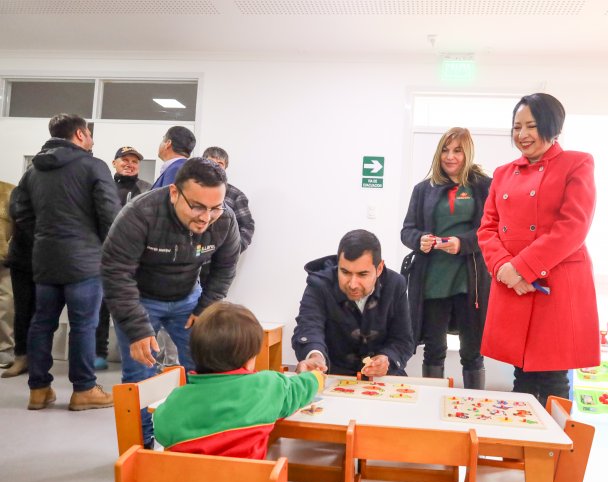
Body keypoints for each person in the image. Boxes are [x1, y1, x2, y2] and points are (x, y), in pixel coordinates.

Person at [102, 157, 241, 445]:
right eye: (198, 206)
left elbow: (226, 267)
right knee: (140, 380)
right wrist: (137, 328)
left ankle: (194, 444)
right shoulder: (140, 214)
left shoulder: (225, 219)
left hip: (189, 300)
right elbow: (116, 273)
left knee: (203, 371)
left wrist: (206, 307)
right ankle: (139, 450)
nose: (206, 217)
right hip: (140, 301)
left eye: (215, 207)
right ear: (174, 193)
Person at [477, 93, 599, 407]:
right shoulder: (504, 173)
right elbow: (487, 227)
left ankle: (555, 452)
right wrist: (504, 268)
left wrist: (521, 268)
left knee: (554, 377)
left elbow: (573, 226)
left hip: (554, 286)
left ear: (551, 126)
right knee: (523, 376)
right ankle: (521, 449)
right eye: (517, 127)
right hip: (513, 284)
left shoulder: (577, 162)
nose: (522, 134)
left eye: (531, 126)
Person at [15, 113, 121, 410]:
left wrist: (43, 236)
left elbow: (19, 210)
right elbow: (110, 215)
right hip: (84, 262)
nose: (91, 139)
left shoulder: (33, 171)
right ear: (78, 134)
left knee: (41, 324)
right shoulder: (93, 166)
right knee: (84, 326)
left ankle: (39, 390)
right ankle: (84, 390)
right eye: (89, 133)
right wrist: (100, 247)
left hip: (45, 260)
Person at [153, 301, 324, 459]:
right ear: (249, 360)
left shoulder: (177, 399)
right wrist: (315, 377)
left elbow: (161, 430)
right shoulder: (265, 386)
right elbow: (299, 390)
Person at [401, 127, 491, 389]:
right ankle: (432, 405)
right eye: (445, 150)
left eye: (457, 151)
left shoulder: (485, 186)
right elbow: (407, 230)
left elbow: (491, 230)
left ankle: (475, 407)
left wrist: (462, 243)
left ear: (468, 153)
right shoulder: (423, 189)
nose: (450, 156)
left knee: (472, 351)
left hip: (469, 281)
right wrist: (420, 240)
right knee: (433, 348)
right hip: (433, 281)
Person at [292, 229, 414, 377]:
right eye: (345, 272)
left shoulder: (396, 284)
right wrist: (315, 356)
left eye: (362, 274)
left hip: (383, 378)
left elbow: (403, 340)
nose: (353, 284)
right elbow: (309, 326)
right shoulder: (319, 285)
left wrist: (386, 359)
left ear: (379, 269)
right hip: (334, 376)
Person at [94, 146, 152, 371]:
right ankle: (99, 352)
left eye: (134, 161)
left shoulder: (147, 189)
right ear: (114, 162)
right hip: (102, 257)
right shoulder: (102, 187)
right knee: (99, 308)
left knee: (132, 307)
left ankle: (134, 354)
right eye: (124, 160)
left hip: (136, 261)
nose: (129, 164)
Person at [1, 187, 34, 378]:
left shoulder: (9, 190)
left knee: (42, 314)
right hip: (21, 258)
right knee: (21, 311)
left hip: (48, 260)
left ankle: (36, 358)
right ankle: (21, 356)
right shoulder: (22, 190)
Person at [202, 147, 255, 252]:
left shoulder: (236, 195)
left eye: (220, 163)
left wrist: (233, 250)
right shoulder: (191, 190)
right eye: (211, 162)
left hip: (217, 258)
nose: (215, 166)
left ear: (225, 167)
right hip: (189, 256)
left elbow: (247, 227)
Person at [0, 181, 15, 369]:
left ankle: (5, 348)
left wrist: (10, 248)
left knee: (6, 302)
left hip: (3, 257)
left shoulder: (8, 190)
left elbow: (19, 224)